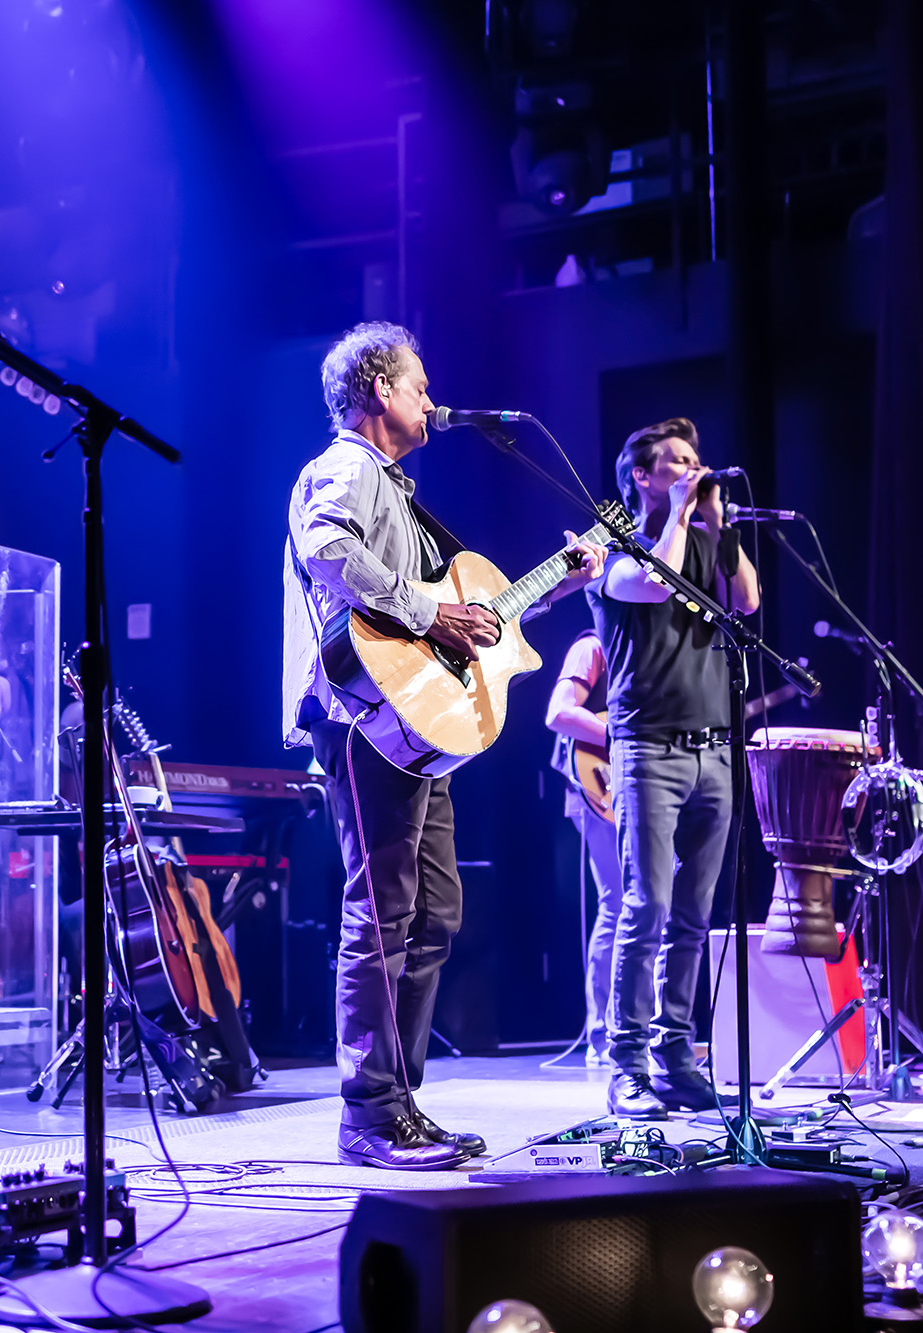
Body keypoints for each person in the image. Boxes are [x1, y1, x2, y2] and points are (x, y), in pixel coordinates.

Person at [282, 321, 605, 1169]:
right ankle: (368, 1114)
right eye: (420, 385)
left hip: (416, 723)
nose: (432, 399)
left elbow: (471, 620)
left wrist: (554, 585)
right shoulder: (348, 466)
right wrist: (430, 614)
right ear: (380, 390)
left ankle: (400, 1103)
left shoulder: (397, 488)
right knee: (384, 914)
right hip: (360, 716)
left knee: (432, 914)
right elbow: (326, 551)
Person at [587, 417, 758, 1118]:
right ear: (641, 477)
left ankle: (676, 1055)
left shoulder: (706, 543)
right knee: (645, 907)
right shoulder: (616, 550)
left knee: (693, 916)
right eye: (676, 462)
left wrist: (720, 523)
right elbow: (654, 585)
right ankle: (626, 1061)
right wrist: (684, 516)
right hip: (647, 751)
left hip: (712, 749)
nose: (693, 468)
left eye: (696, 457)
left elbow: (746, 599)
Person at [543, 628, 622, 1067]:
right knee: (616, 903)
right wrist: (621, 733)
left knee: (652, 906)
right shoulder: (593, 647)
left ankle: (641, 1030)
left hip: (639, 786)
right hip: (598, 786)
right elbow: (558, 714)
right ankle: (603, 1037)